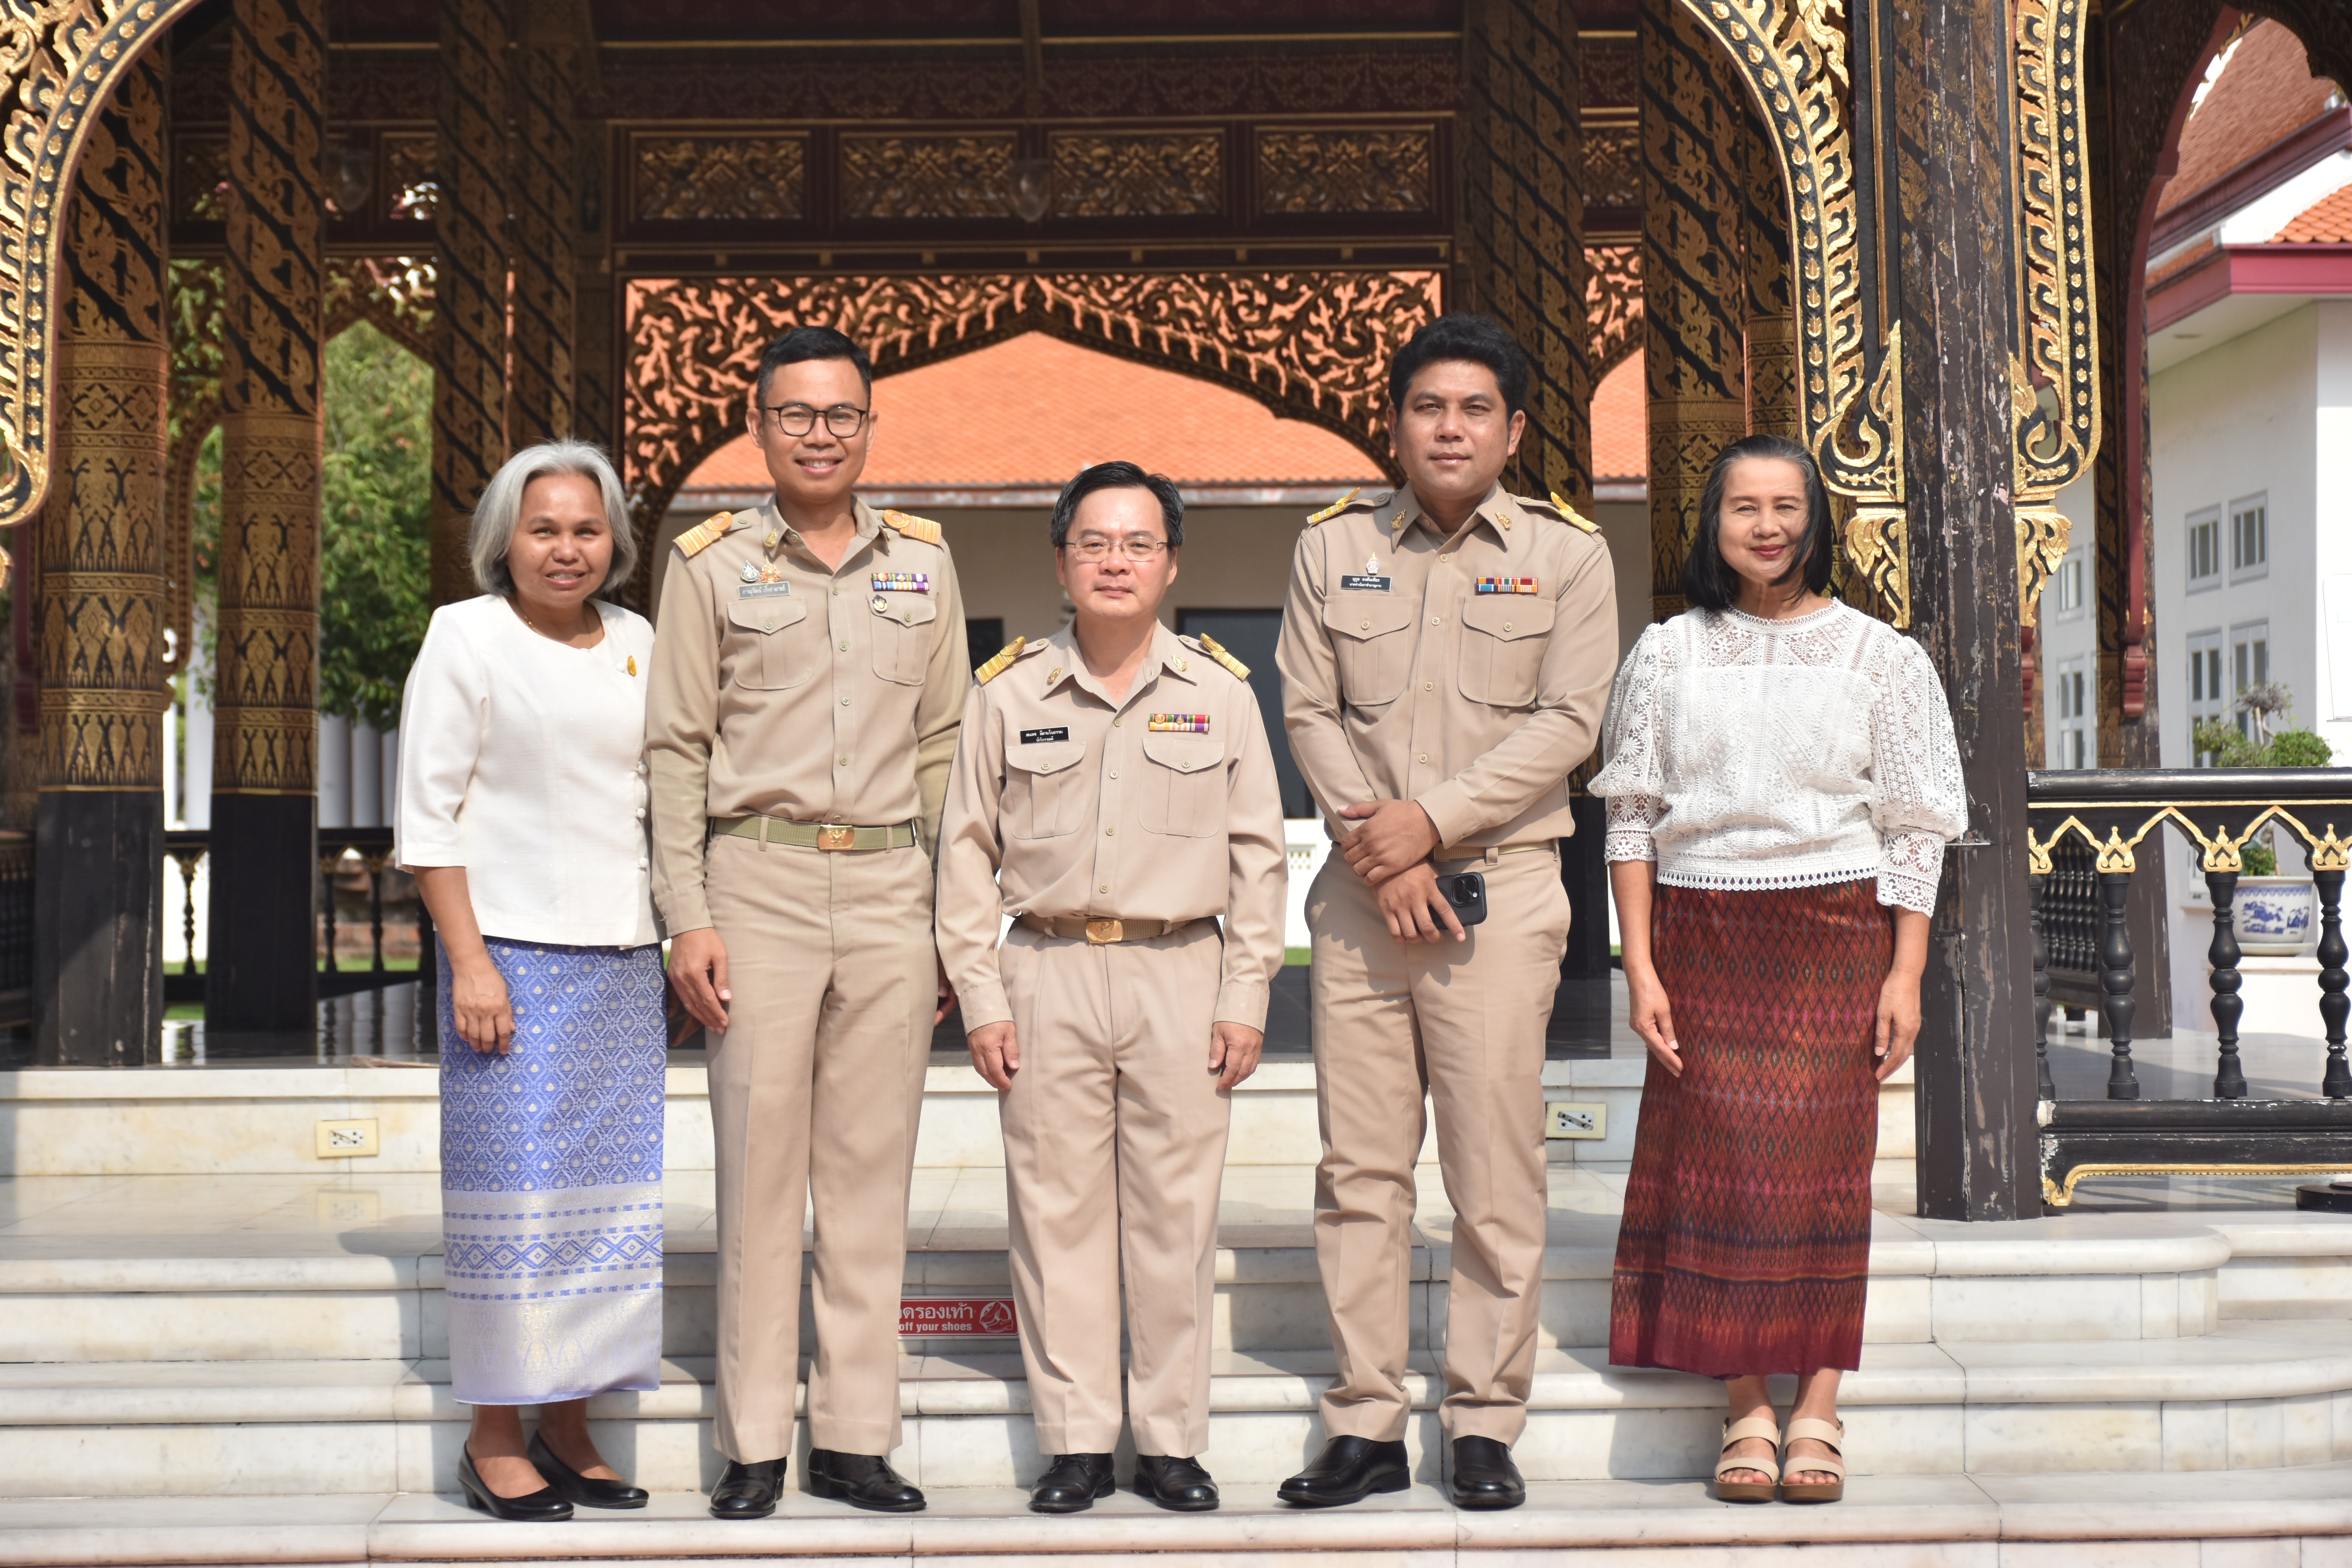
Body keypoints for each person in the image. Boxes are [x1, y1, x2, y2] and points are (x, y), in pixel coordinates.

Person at [1273, 313, 1618, 1511]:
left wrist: (1432, 821)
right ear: (1396, 425)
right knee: (1360, 1171)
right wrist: (1386, 853)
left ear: (1514, 432)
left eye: (1476, 410)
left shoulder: (1568, 556)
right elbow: (1308, 710)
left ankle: (1482, 1421)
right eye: (1429, 408)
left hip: (1500, 893)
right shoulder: (1332, 548)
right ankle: (1365, 1421)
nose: (1451, 429)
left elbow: (1572, 723)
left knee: (1493, 1168)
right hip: (1365, 895)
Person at [1591, 432, 1966, 1504]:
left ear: (1816, 521)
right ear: (1712, 522)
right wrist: (1639, 964)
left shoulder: (1882, 657)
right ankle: (1746, 1404)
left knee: (1821, 1176)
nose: (1766, 527)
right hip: (1701, 931)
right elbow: (1632, 817)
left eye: (1786, 507)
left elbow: (1916, 827)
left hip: (1835, 933)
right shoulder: (1667, 652)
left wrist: (1905, 972)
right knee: (1714, 1172)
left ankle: (1818, 1408)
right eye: (1743, 507)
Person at [648, 324, 966, 1521]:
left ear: (870, 426)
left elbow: (945, 745)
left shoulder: (925, 562)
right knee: (760, 1176)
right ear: (759, 425)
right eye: (796, 414)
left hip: (890, 889)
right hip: (759, 886)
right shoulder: (710, 565)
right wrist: (687, 915)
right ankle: (750, 1444)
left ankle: (855, 1438)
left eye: (840, 415)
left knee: (871, 1180)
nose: (819, 435)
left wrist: (948, 914)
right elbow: (676, 749)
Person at [935, 463, 1287, 1515]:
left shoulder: (1220, 693)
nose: (1116, 562)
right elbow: (964, 855)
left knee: (1176, 1219)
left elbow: (1259, 858)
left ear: (1171, 564)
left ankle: (1171, 1443)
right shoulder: (1007, 692)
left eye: (1138, 544)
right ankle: (1078, 1443)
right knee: (1056, 1219)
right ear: (1062, 562)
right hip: (1045, 972)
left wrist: (1246, 995)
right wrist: (983, 998)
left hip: (1181, 973)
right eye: (1094, 543)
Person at [396, 440, 663, 1523]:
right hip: (508, 957)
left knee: (607, 1206)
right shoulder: (466, 635)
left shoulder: (639, 641)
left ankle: (570, 1423)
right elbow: (429, 817)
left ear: (615, 542)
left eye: (587, 529)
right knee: (513, 1203)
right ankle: (495, 1435)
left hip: (623, 959)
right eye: (543, 529)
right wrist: (470, 962)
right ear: (504, 540)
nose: (566, 549)